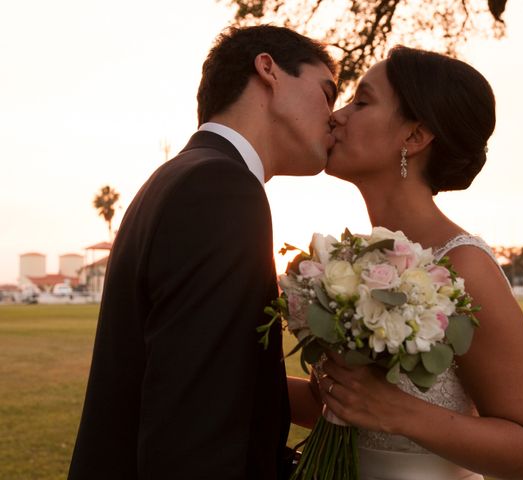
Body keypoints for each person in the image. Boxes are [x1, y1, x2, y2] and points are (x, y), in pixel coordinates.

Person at [68, 25, 337, 480]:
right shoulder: (221, 188)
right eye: (328, 93)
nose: (334, 116)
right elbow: (196, 425)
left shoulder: (183, 176)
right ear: (268, 69)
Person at [288, 47, 523, 480]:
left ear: (414, 137)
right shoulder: (352, 264)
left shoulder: (465, 266)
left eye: (362, 101)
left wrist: (397, 412)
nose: (336, 115)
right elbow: (335, 403)